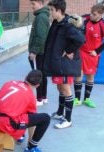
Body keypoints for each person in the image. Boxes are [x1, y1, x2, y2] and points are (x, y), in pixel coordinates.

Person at [43, 0, 85, 129]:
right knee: (60, 88)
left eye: (51, 10)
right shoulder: (57, 23)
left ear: (59, 11)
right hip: (57, 63)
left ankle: (68, 119)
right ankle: (60, 112)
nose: (50, 12)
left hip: (65, 65)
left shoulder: (68, 25)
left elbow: (81, 40)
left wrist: (69, 51)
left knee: (66, 89)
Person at [0, 70, 50, 152]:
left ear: (25, 77)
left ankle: (20, 135)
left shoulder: (10, 83)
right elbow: (32, 120)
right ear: (37, 85)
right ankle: (31, 147)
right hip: (5, 124)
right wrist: (30, 138)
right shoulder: (30, 96)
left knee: (20, 111)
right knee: (45, 118)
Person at [73, 3, 104, 108]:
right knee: (78, 75)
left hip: (92, 55)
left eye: (94, 14)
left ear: (101, 15)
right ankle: (77, 99)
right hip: (81, 51)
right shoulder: (85, 18)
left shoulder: (103, 26)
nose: (91, 15)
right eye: (91, 13)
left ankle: (87, 99)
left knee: (90, 77)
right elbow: (73, 21)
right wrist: (73, 18)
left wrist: (97, 51)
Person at [28, 0, 50, 106]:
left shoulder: (41, 17)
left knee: (39, 75)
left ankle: (39, 99)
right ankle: (44, 97)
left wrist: (34, 51)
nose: (31, 6)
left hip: (40, 51)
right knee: (43, 75)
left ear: (40, 3)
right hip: (42, 51)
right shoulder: (42, 15)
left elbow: (40, 37)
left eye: (33, 4)